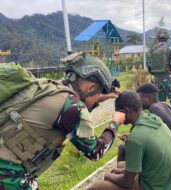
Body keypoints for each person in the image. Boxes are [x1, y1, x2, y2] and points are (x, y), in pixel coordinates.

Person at [0, 52, 125, 189]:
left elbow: (70, 112)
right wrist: (114, 123)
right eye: (99, 93)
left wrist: (101, 98)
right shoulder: (73, 107)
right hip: (8, 174)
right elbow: (95, 152)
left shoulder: (52, 87)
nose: (98, 97)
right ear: (91, 88)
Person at [88, 91, 171, 190]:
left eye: (118, 112)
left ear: (126, 111)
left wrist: (108, 175)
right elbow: (145, 139)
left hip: (154, 187)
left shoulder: (136, 138)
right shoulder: (154, 119)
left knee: (95, 187)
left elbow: (128, 182)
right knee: (120, 166)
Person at [137, 83, 171, 153]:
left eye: (140, 99)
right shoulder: (164, 104)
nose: (138, 102)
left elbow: (152, 136)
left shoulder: (154, 108)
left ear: (149, 98)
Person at [148, 28, 171, 109]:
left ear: (158, 38)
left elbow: (149, 68)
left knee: (160, 101)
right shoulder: (170, 50)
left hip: (157, 80)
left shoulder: (152, 51)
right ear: (167, 38)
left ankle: (161, 116)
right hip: (168, 80)